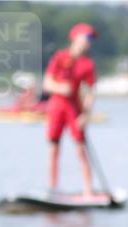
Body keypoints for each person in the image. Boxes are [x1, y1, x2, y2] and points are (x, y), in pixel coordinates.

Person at [42, 23, 98, 196]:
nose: (89, 42)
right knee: (53, 149)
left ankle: (88, 190)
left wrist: (86, 114)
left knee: (81, 148)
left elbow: (90, 92)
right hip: (57, 106)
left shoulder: (88, 64)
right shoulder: (59, 57)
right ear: (76, 38)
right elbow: (47, 83)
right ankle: (53, 188)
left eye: (91, 39)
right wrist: (60, 88)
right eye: (87, 38)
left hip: (75, 108)